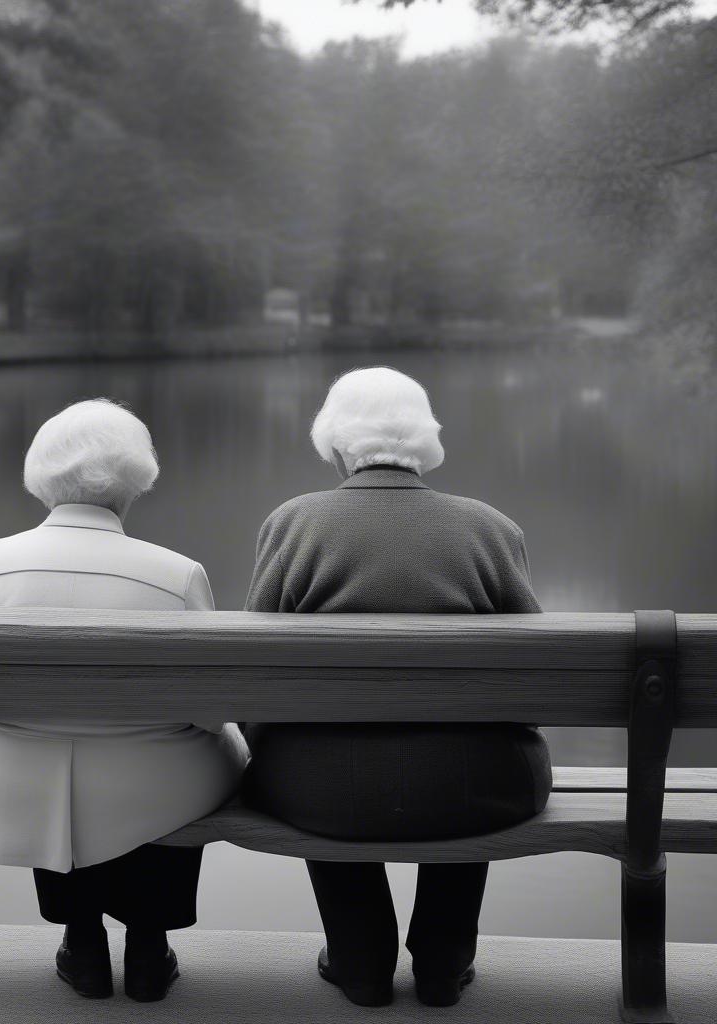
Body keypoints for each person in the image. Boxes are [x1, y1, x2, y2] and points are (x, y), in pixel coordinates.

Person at [241, 367, 551, 1009]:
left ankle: (360, 959)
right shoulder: (491, 529)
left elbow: (256, 676)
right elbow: (535, 680)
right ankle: (443, 961)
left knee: (318, 755)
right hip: (478, 789)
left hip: (319, 792)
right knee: (472, 748)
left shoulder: (292, 526)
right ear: (425, 442)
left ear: (335, 441)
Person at [0, 398, 248, 1002]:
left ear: (41, 476)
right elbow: (208, 711)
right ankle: (148, 946)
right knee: (182, 755)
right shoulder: (177, 574)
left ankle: (82, 944)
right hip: (155, 786)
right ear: (136, 479)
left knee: (43, 750)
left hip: (16, 778)